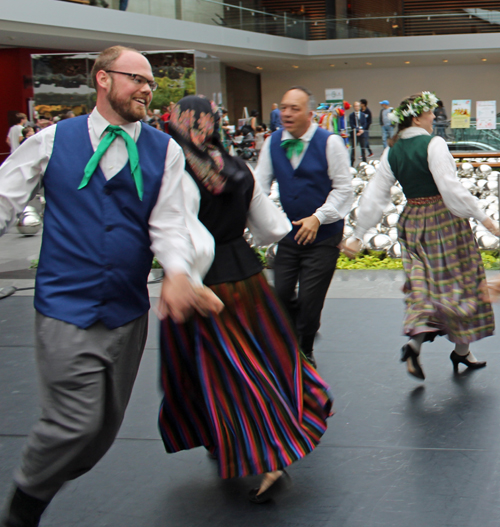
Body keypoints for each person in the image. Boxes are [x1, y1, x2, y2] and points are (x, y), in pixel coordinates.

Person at [0, 45, 222, 527]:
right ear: (102, 79)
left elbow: (168, 224)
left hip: (127, 311)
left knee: (100, 433)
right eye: (136, 78)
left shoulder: (163, 150)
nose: (147, 88)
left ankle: (39, 485)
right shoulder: (53, 140)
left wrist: (178, 275)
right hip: (64, 306)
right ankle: (23, 506)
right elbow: (4, 196)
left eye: (149, 81)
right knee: (75, 421)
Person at [158, 96, 333, 504]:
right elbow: (272, 228)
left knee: (217, 373)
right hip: (249, 280)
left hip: (203, 285)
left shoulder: (175, 168)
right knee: (264, 361)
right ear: (214, 123)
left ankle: (264, 454)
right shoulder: (236, 167)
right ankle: (260, 435)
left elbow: (176, 227)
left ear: (179, 122)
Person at [343, 92, 499, 381]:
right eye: (430, 114)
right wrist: (485, 219)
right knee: (464, 285)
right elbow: (450, 188)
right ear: (418, 117)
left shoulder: (392, 150)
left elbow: (375, 193)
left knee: (423, 288)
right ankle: (461, 350)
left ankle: (416, 344)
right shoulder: (433, 144)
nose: (434, 118)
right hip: (444, 223)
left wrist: (358, 234)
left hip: (412, 224)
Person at [255, 86, 353, 367]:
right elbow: (258, 188)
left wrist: (318, 217)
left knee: (310, 301)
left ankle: (304, 351)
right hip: (288, 235)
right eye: (283, 107)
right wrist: (262, 223)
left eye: (294, 109)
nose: (286, 113)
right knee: (282, 294)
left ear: (310, 114)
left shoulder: (330, 142)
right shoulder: (272, 142)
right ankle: (298, 331)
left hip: (324, 237)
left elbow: (344, 190)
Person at [348, 101, 367, 166]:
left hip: (362, 134)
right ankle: (352, 163)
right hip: (354, 134)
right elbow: (352, 124)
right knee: (353, 149)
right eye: (355, 106)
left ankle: (365, 162)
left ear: (359, 107)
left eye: (357, 106)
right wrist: (357, 130)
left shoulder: (362, 115)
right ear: (354, 107)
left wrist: (361, 130)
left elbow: (365, 123)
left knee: (363, 148)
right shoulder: (351, 115)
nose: (356, 107)